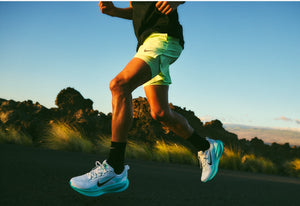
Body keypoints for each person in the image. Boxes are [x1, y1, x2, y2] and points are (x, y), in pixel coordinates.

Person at [69, 1, 224, 197]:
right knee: (160, 113)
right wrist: (115, 11)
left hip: (163, 38)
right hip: (147, 43)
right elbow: (140, 10)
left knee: (119, 85)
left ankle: (115, 168)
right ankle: (207, 146)